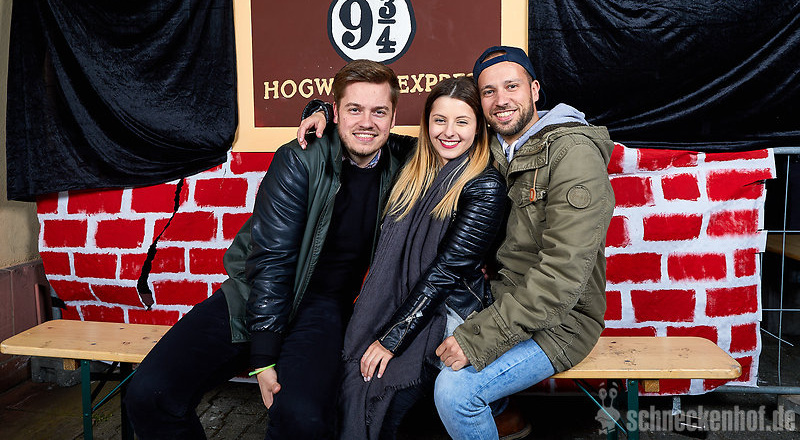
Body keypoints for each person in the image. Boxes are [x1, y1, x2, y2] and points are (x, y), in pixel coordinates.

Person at [125, 59, 414, 440]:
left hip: (322, 308)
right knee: (149, 394)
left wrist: (319, 109)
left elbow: (452, 138)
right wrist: (263, 357)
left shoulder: (403, 161)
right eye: (354, 109)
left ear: (394, 117)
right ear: (337, 112)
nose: (366, 122)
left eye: (379, 111)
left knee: (304, 420)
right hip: (252, 294)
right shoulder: (300, 157)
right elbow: (272, 259)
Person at [433, 46, 616, 440]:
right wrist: (326, 115)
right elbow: (410, 145)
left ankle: (491, 411)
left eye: (511, 86)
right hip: (504, 299)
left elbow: (561, 277)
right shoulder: (494, 148)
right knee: (417, 336)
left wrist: (479, 338)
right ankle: (504, 416)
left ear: (534, 90)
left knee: (456, 392)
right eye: (488, 91)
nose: (501, 100)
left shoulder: (573, 153)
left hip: (563, 321)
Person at [337, 77, 506, 439]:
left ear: (479, 127)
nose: (449, 132)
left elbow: (445, 273)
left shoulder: (485, 186)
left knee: (391, 401)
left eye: (462, 121)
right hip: (405, 301)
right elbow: (371, 134)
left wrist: (390, 340)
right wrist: (322, 112)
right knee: (354, 381)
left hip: (449, 313)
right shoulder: (417, 162)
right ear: (427, 123)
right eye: (439, 120)